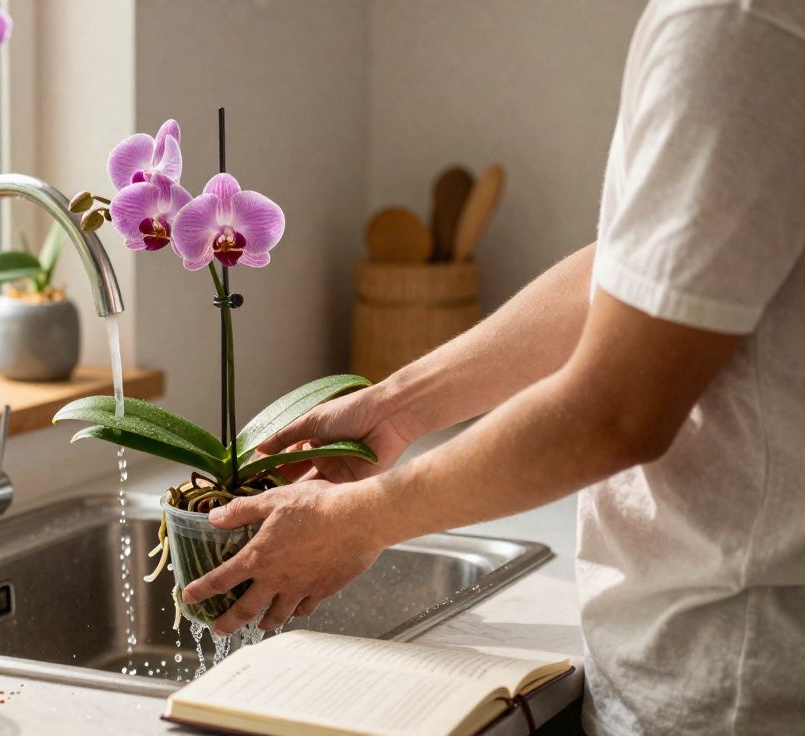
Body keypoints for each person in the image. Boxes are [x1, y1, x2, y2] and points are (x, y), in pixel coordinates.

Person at [179, 1, 805, 732]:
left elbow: (616, 412)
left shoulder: (739, 23)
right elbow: (640, 272)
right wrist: (397, 406)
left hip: (733, 680)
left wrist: (360, 521)